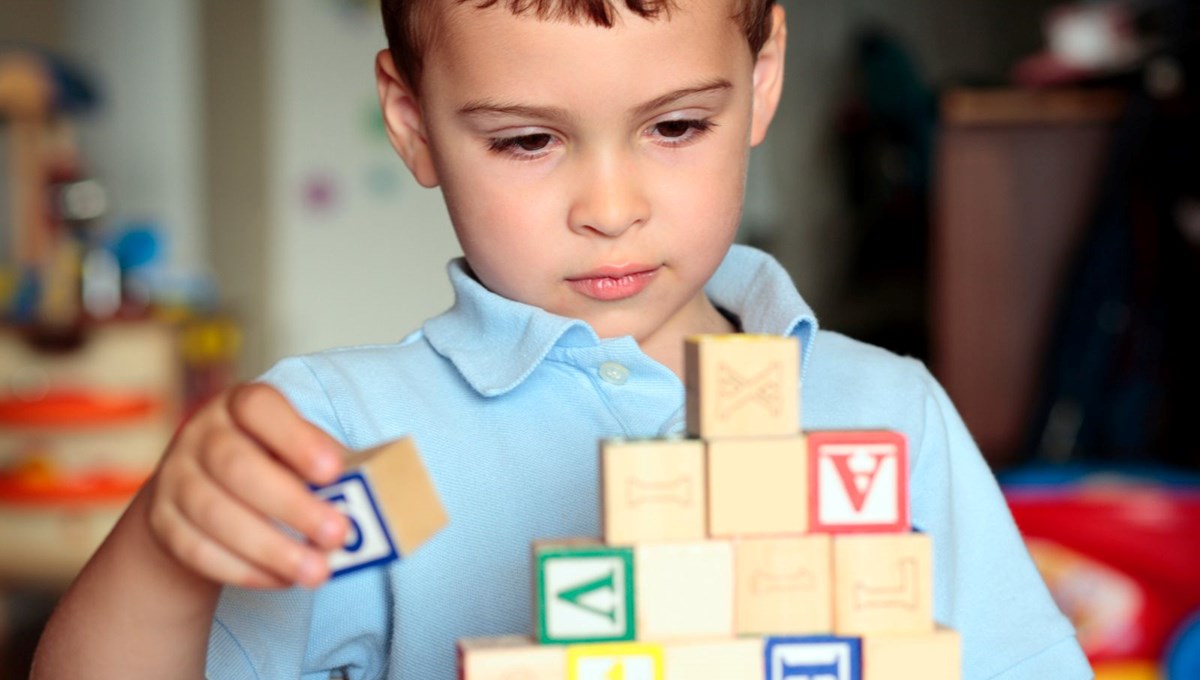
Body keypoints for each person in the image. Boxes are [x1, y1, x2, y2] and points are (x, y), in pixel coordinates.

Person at [32, 1, 1092, 678]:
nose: (612, 205)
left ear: (762, 75)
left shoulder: (890, 412)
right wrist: (170, 554)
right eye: (529, 140)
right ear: (413, 123)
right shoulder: (342, 438)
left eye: (676, 126)